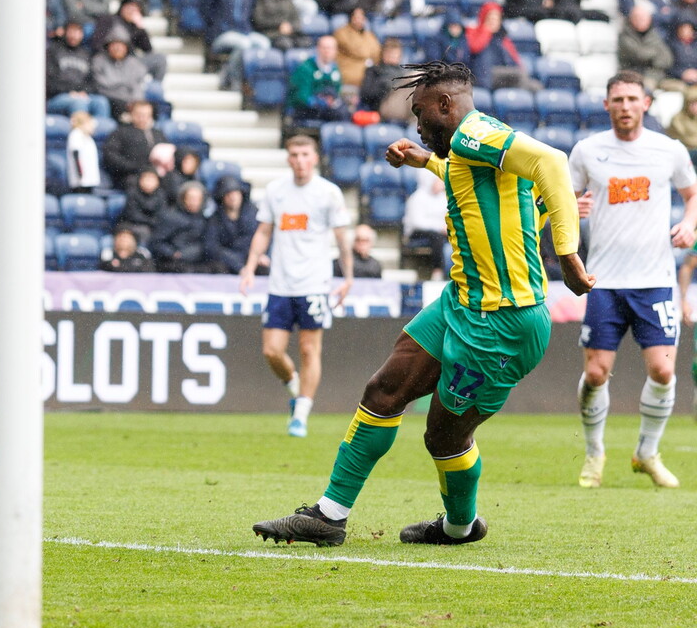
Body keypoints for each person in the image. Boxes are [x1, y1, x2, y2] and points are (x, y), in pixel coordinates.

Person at [253, 61, 593, 547]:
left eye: (419, 113)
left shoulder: (473, 134)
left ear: (445, 105)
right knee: (384, 390)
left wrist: (568, 254)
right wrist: (425, 161)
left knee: (444, 436)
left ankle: (458, 527)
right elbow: (479, 181)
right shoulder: (476, 144)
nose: (416, 124)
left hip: (502, 324)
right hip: (461, 302)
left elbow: (553, 163)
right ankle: (329, 516)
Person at [569, 71, 697, 489]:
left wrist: (690, 225)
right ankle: (594, 453)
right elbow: (560, 200)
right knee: (595, 374)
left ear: (646, 103)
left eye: (632, 99)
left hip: (655, 279)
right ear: (606, 105)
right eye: (618, 99)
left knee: (663, 371)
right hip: (603, 280)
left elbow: (692, 194)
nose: (625, 106)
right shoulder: (587, 151)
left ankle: (647, 452)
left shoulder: (669, 149)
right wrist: (571, 209)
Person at [239, 135, 352, 438]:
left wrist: (348, 278)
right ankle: (294, 385)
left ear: (314, 158)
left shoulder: (328, 193)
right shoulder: (276, 191)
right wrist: (250, 267)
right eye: (294, 155)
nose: (300, 160)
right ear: (288, 158)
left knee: (308, 349)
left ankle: (301, 414)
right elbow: (264, 232)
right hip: (280, 283)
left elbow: (342, 238)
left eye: (305, 154)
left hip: (314, 283)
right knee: (271, 351)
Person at [102, 100, 165, 190]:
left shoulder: (158, 133)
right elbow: (111, 156)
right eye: (139, 114)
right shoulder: (120, 132)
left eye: (146, 115)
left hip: (155, 174)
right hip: (130, 175)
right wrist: (134, 167)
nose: (142, 118)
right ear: (131, 114)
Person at [206, 175, 259, 274]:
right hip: (226, 262)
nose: (233, 198)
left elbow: (262, 238)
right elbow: (212, 248)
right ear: (222, 197)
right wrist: (238, 266)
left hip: (250, 258)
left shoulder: (254, 215)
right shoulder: (215, 219)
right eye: (228, 194)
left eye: (236, 193)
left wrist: (258, 256)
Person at [66, 111, 101, 193]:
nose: (93, 127)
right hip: (81, 180)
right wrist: (80, 174)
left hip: (90, 179)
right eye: (89, 124)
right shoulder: (75, 134)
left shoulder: (88, 137)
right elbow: (76, 155)